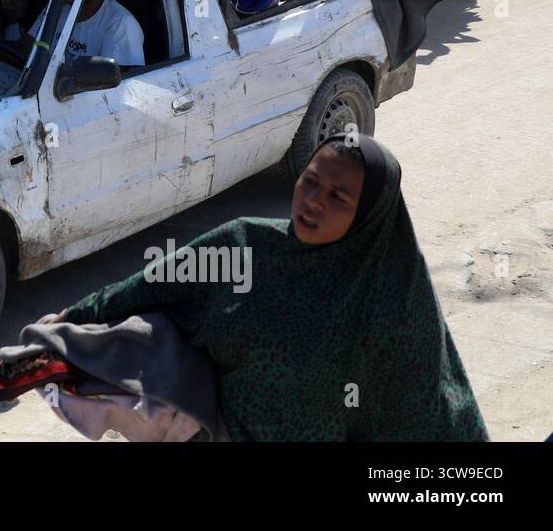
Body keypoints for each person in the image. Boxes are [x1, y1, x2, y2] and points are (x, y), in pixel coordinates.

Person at [49, 134, 489, 440]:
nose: (314, 200)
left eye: (338, 196)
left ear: (369, 217)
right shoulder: (244, 246)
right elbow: (151, 285)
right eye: (311, 181)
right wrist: (72, 319)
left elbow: (425, 415)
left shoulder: (393, 300)